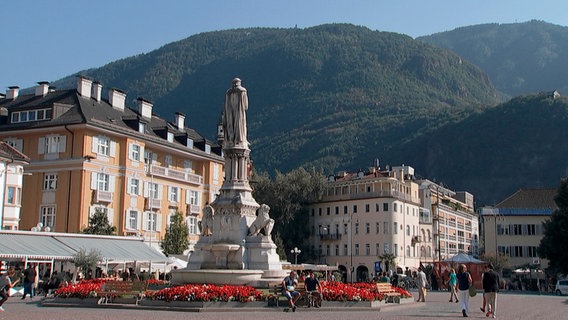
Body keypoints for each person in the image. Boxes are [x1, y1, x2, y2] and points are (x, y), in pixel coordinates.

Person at [223, 78, 249, 148]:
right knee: (239, 125)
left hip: (230, 113)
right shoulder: (242, 91)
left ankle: (231, 139)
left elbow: (226, 105)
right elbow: (246, 106)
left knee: (231, 124)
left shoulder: (228, 92)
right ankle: (239, 139)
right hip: (239, 112)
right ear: (239, 82)